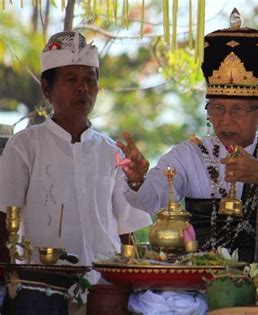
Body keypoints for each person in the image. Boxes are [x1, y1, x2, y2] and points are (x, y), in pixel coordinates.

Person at [119, 10, 258, 262]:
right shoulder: (188, 156)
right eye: (217, 109)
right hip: (197, 286)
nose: (225, 121)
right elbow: (151, 201)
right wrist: (137, 181)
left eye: (237, 110)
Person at [0, 31, 152, 282]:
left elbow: (128, 231)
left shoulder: (112, 151)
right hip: (42, 288)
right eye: (71, 79)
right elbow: (3, 220)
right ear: (47, 89)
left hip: (104, 287)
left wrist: (137, 184)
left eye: (89, 79)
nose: (83, 87)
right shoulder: (25, 146)